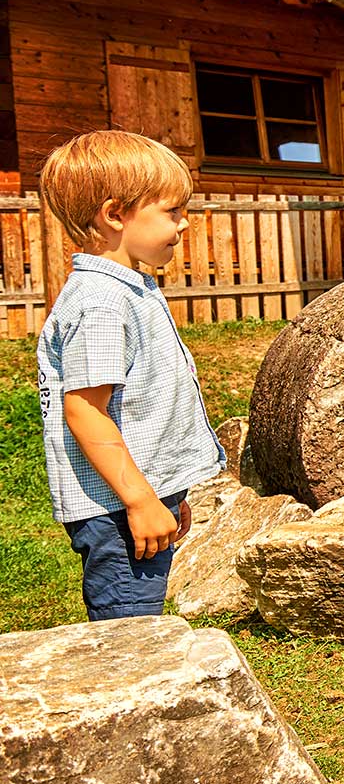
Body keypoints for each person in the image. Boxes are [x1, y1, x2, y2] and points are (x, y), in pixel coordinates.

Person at [35, 131, 225, 621]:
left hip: (136, 494)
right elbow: (85, 410)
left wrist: (165, 491)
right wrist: (141, 501)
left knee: (142, 617)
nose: (183, 225)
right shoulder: (101, 302)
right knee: (129, 631)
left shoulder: (127, 288)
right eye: (172, 212)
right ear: (115, 214)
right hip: (116, 507)